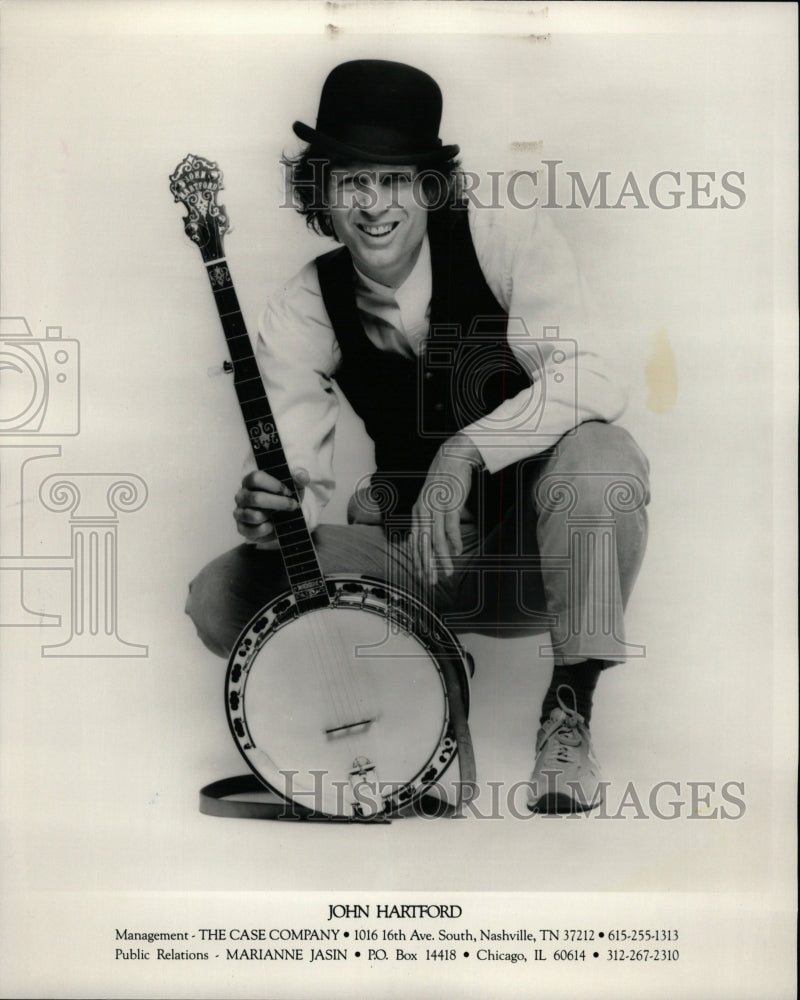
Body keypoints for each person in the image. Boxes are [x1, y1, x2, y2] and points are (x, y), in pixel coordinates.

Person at [186, 60, 651, 813]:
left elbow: (595, 378)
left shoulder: (506, 238)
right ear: (321, 189)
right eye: (352, 181)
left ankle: (569, 705)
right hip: (413, 569)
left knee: (603, 459)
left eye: (396, 180)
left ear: (431, 187)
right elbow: (299, 475)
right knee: (220, 595)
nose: (374, 205)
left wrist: (463, 452)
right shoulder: (304, 303)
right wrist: (272, 509)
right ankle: (423, 672)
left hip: (541, 559)